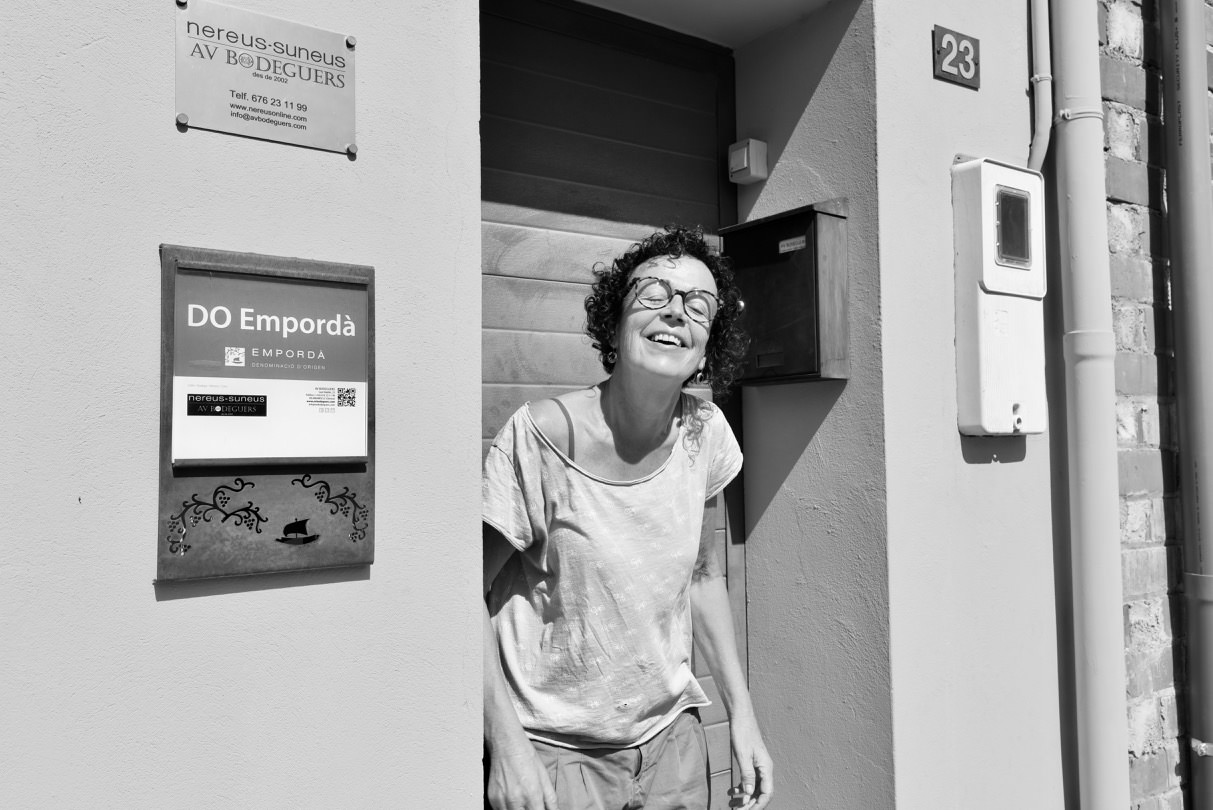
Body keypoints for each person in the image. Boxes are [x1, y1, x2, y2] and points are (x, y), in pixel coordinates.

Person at [483, 226, 773, 810]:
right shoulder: (541, 436)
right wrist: (507, 748)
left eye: (698, 305)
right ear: (615, 317)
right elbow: (461, 593)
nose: (675, 313)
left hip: (672, 750)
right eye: (653, 294)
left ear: (710, 340)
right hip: (556, 758)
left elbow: (701, 577)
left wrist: (743, 716)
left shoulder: (705, 433)